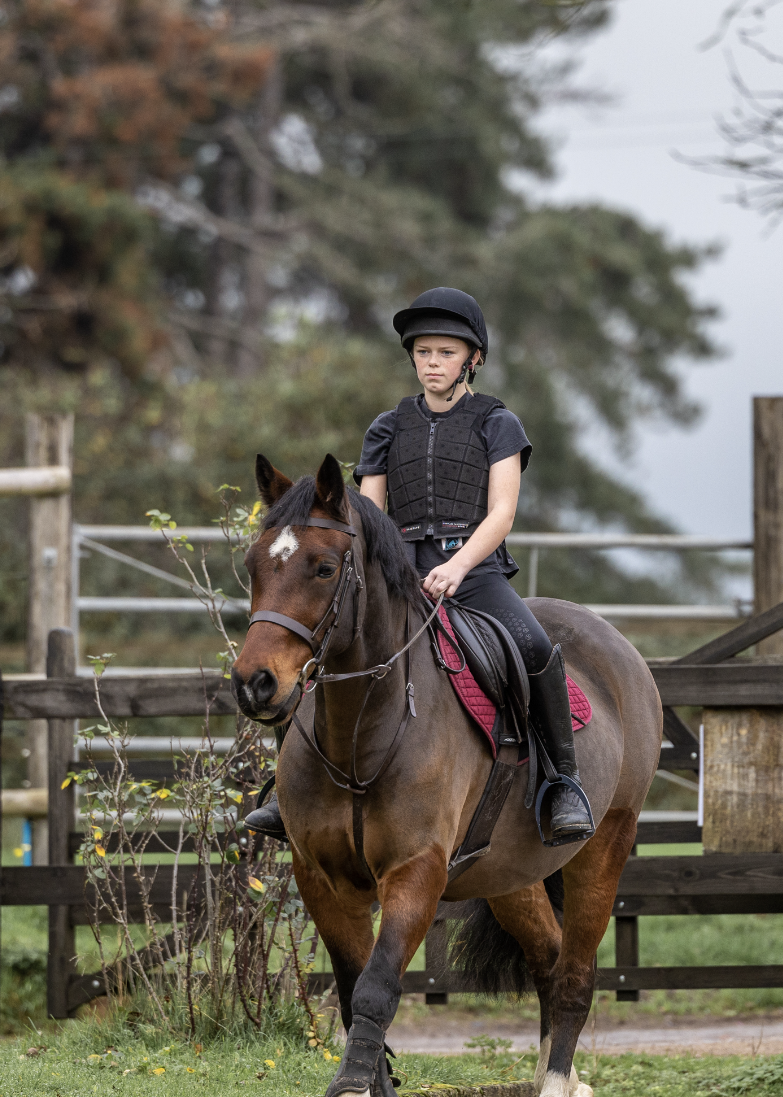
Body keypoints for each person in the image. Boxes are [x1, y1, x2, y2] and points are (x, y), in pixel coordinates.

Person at [241, 286, 595, 845]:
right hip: (398, 568)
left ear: (472, 358)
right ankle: (288, 787)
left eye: (446, 353)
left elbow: (502, 512)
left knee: (531, 647)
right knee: (321, 642)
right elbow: (370, 513)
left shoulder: (498, 424)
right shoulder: (387, 427)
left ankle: (563, 784)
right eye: (424, 352)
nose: (433, 363)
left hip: (473, 569)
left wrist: (458, 567)